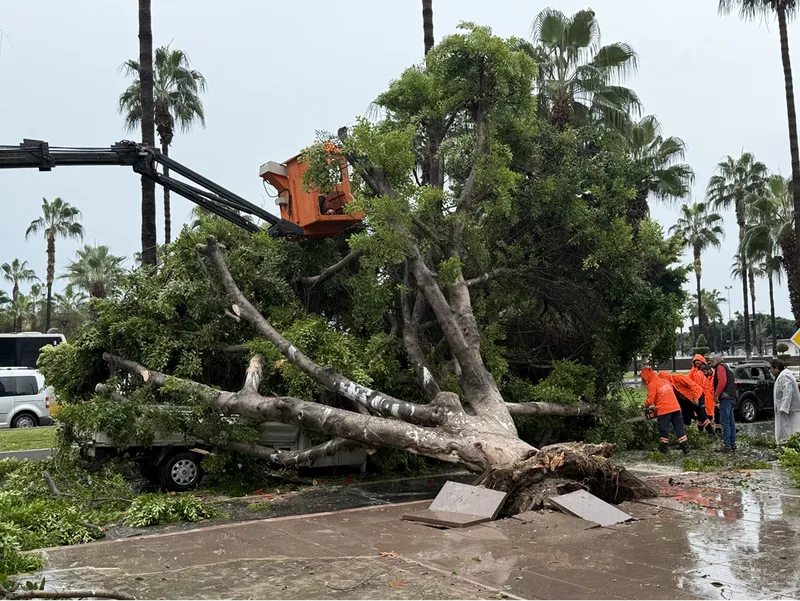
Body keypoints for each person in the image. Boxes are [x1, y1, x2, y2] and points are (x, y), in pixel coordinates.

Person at [641, 367, 690, 454]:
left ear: (646, 376)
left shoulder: (652, 383)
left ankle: (664, 449)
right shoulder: (665, 381)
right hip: (675, 407)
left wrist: (645, 406)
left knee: (663, 429)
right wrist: (655, 407)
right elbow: (663, 396)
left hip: (664, 410)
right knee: (679, 427)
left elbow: (650, 400)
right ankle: (685, 447)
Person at [709, 354, 738, 453]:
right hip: (732, 396)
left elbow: (722, 381)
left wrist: (716, 395)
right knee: (731, 421)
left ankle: (727, 445)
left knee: (724, 421)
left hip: (725, 397)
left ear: (716, 360)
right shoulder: (727, 366)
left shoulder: (720, 367)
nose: (711, 362)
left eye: (712, 360)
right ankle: (732, 443)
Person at [770, 359, 800, 443]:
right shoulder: (784, 376)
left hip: (787, 410)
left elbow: (788, 391)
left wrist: (784, 407)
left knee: (787, 428)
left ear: (776, 368)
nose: (770, 371)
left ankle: (786, 445)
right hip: (787, 409)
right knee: (788, 428)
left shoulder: (784, 377)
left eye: (771, 368)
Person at [688, 355, 718, 435]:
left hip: (709, 395)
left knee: (709, 413)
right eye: (695, 361)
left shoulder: (709, 370)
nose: (697, 362)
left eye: (699, 360)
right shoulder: (692, 371)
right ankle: (703, 432)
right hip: (698, 394)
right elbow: (689, 382)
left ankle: (709, 432)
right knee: (700, 415)